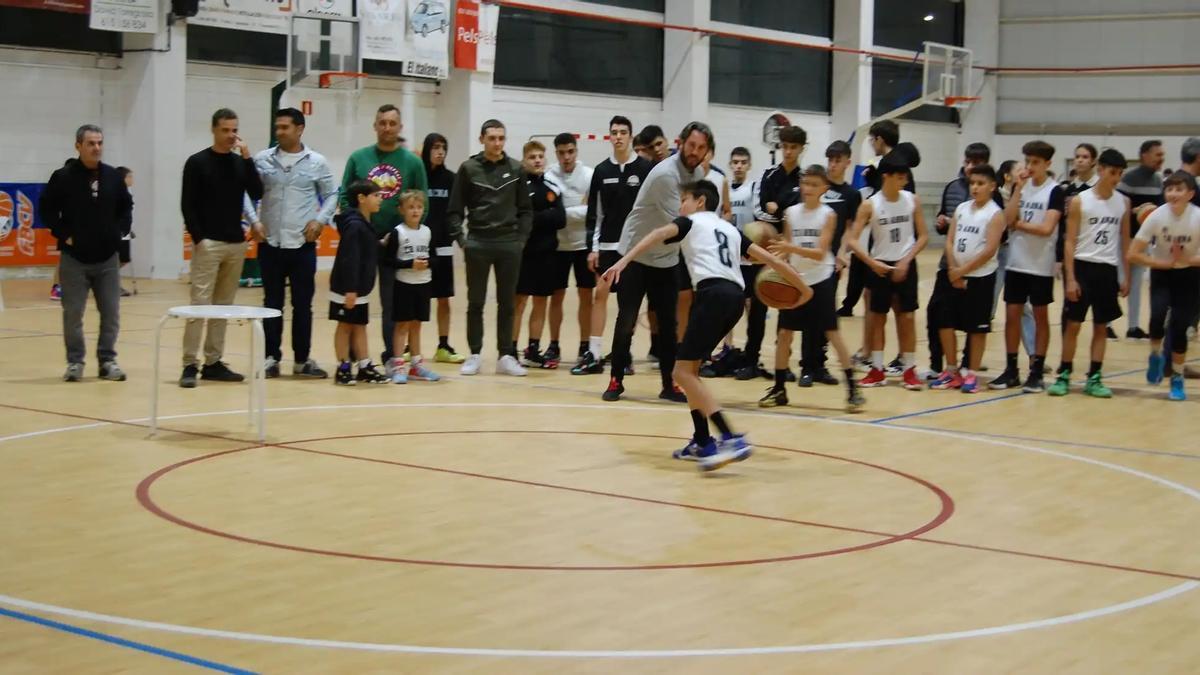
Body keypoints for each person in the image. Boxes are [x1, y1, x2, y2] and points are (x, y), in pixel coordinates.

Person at [603, 180, 811, 471]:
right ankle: (703, 441)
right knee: (691, 371)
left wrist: (622, 262)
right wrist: (804, 289)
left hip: (712, 296)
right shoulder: (731, 230)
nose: (680, 206)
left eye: (684, 199)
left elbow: (658, 233)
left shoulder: (691, 221)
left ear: (700, 202)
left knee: (680, 371)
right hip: (735, 300)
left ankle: (729, 436)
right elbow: (769, 261)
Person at [602, 121, 712, 403]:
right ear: (681, 143)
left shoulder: (698, 173)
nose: (695, 151)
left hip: (666, 257)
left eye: (701, 148)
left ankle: (669, 384)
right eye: (691, 145)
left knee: (668, 325)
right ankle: (616, 379)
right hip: (636, 254)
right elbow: (683, 221)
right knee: (626, 319)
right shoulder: (665, 175)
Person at [760, 165, 864, 410]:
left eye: (814, 185)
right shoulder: (791, 212)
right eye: (805, 183)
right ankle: (779, 389)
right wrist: (777, 264)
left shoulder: (828, 214)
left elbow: (819, 253)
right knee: (784, 335)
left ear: (824, 189)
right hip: (796, 280)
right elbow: (785, 244)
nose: (807, 189)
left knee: (832, 334)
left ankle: (852, 388)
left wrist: (789, 249)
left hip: (821, 279)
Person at [179, 108, 264, 388]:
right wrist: (199, 237)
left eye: (234, 130)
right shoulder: (197, 162)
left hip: (236, 243)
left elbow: (257, 191)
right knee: (199, 305)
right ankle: (190, 364)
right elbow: (187, 204)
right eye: (225, 130)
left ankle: (213, 362)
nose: (231, 136)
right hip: (209, 244)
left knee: (223, 306)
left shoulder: (240, 163)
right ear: (214, 130)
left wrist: (248, 157)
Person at [339, 104, 429, 368]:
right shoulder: (359, 158)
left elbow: (422, 200)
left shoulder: (412, 162)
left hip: (396, 244)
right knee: (357, 298)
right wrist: (354, 227)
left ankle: (393, 356)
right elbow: (345, 196)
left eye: (392, 123)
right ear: (375, 125)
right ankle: (356, 356)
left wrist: (405, 235)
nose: (387, 128)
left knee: (393, 303)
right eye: (382, 123)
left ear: (400, 128)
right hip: (363, 242)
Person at [248, 107, 335, 380]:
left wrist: (320, 221)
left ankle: (301, 359)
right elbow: (248, 193)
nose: (279, 132)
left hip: (302, 245)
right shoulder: (262, 160)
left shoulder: (317, 162)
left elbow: (332, 194)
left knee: (303, 305)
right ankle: (270, 358)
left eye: (285, 127)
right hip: (271, 243)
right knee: (271, 303)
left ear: (300, 129)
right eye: (278, 127)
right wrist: (253, 220)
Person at [41, 124, 132, 382]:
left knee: (111, 313)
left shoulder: (113, 176)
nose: (97, 148)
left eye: (100, 143)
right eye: (91, 143)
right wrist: (63, 234)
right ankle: (75, 362)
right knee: (72, 313)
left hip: (107, 259)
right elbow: (46, 210)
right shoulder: (63, 176)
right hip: (74, 259)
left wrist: (120, 232)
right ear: (78, 146)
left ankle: (107, 361)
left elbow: (126, 207)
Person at [445, 119, 533, 377]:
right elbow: (454, 211)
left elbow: (526, 210)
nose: (497, 143)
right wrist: (463, 242)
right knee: (476, 302)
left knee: (507, 303)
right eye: (492, 138)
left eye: (501, 138)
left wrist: (521, 241)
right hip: (478, 244)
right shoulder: (468, 168)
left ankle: (506, 355)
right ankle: (474, 354)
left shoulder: (516, 168)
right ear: (481, 139)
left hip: (509, 244)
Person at [1049, 148, 1131, 398]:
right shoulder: (1079, 201)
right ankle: (1064, 373)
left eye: (1119, 174)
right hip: (1083, 267)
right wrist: (1071, 277)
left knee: (1100, 326)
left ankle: (1094, 377)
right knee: (1073, 325)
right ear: (1101, 170)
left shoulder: (1124, 202)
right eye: (1112, 172)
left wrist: (1125, 275)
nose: (1115, 178)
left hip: (1107, 270)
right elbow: (1069, 241)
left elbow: (1124, 241)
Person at [573, 115, 651, 375]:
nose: (618, 136)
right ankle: (593, 354)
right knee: (600, 294)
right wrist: (592, 248)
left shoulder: (645, 169)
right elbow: (595, 214)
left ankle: (623, 354)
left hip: (634, 248)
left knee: (629, 303)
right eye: (614, 132)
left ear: (631, 136)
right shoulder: (601, 171)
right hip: (607, 245)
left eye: (623, 132)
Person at [845, 154, 929, 389]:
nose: (904, 181)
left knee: (907, 317)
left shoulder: (913, 200)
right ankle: (877, 369)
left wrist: (906, 260)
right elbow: (852, 241)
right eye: (900, 176)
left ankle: (909, 369)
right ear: (886, 176)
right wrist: (872, 263)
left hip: (905, 263)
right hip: (880, 265)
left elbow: (923, 236)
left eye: (906, 176)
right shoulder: (870, 204)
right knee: (878, 317)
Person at [990, 141, 1064, 393]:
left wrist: (1018, 226)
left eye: (1036, 162)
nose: (1030, 167)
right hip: (1016, 262)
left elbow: (1046, 228)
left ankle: (1036, 370)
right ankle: (1011, 369)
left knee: (1041, 318)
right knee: (1012, 316)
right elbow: (1007, 220)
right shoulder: (1019, 189)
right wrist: (1017, 190)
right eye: (1028, 161)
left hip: (1040, 265)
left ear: (1047, 164)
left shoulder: (1055, 191)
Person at [929, 165, 1006, 394]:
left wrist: (962, 272)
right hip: (953, 273)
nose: (975, 187)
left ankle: (971, 373)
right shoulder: (962, 208)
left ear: (992, 186)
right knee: (945, 322)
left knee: (977, 328)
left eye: (980, 183)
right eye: (972, 183)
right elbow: (950, 240)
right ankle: (951, 370)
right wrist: (953, 268)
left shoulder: (995, 213)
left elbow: (990, 250)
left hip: (979, 278)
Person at [737, 125, 806, 380]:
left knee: (786, 305)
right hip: (765, 250)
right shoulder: (766, 176)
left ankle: (782, 365)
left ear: (801, 149)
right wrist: (782, 214)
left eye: (793, 147)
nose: (788, 151)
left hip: (790, 250)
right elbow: (759, 211)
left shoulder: (805, 179)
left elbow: (802, 214)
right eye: (785, 146)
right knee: (757, 307)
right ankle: (751, 360)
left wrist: (779, 210)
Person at [1129, 172, 1200, 400]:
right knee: (1156, 319)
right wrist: (1161, 262)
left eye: (1179, 189)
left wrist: (1187, 260)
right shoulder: (1156, 217)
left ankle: (1177, 378)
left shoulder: (1197, 217)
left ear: (1190, 194)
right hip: (1162, 274)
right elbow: (1133, 254)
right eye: (1169, 189)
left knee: (1179, 329)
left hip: (1189, 276)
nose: (1173, 193)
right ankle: (1155, 355)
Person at [329, 180, 389, 385]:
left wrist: (380, 244)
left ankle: (364, 365)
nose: (380, 199)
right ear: (361, 199)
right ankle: (343, 367)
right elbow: (350, 258)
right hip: (348, 288)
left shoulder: (364, 223)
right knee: (345, 325)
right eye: (376, 195)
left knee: (360, 325)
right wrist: (351, 289)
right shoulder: (354, 226)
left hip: (360, 288)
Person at [513, 139, 566, 367]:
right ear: (524, 160)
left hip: (547, 254)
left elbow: (561, 219)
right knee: (519, 302)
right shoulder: (518, 187)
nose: (537, 161)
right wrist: (545, 216)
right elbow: (521, 219)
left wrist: (537, 217)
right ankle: (510, 349)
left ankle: (533, 347)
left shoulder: (553, 186)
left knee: (541, 302)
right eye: (532, 157)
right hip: (524, 254)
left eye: (540, 157)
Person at [381, 190, 441, 384]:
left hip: (423, 283)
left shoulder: (427, 231)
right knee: (402, 325)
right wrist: (409, 264)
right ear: (401, 210)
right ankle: (399, 366)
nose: (415, 211)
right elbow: (389, 261)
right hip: (404, 284)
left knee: (416, 325)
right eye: (410, 207)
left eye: (419, 207)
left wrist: (427, 263)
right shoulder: (398, 232)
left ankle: (417, 365)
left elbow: (435, 258)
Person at [547, 132, 595, 369]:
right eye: (561, 153)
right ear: (556, 153)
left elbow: (592, 212)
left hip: (583, 246)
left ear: (576, 151)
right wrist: (577, 210)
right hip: (557, 247)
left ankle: (585, 346)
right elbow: (548, 214)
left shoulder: (589, 175)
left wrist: (562, 214)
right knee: (556, 298)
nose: (566, 157)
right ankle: (553, 345)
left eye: (570, 152)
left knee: (587, 298)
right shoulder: (549, 176)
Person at [420, 132, 466, 365]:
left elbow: (457, 212)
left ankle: (443, 345)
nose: (440, 152)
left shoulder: (452, 179)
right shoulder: (418, 177)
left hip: (444, 247)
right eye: (435, 147)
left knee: (444, 299)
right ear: (427, 149)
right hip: (419, 248)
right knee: (416, 298)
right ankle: (411, 346)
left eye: (443, 148)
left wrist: (461, 240)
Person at [1117, 139, 1165, 340]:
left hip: (1142, 241)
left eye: (1162, 155)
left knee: (1136, 284)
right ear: (1144, 155)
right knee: (1118, 281)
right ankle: (1107, 323)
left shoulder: (1157, 181)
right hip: (1122, 240)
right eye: (1157, 154)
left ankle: (1133, 327)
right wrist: (1134, 211)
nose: (1161, 159)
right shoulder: (1128, 179)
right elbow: (1118, 208)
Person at [115, 166, 135, 297]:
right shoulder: (116, 194)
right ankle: (113, 286)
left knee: (124, 259)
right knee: (116, 260)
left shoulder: (126, 193)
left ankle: (108, 280)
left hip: (126, 231)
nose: (132, 179)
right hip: (118, 232)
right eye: (130, 176)